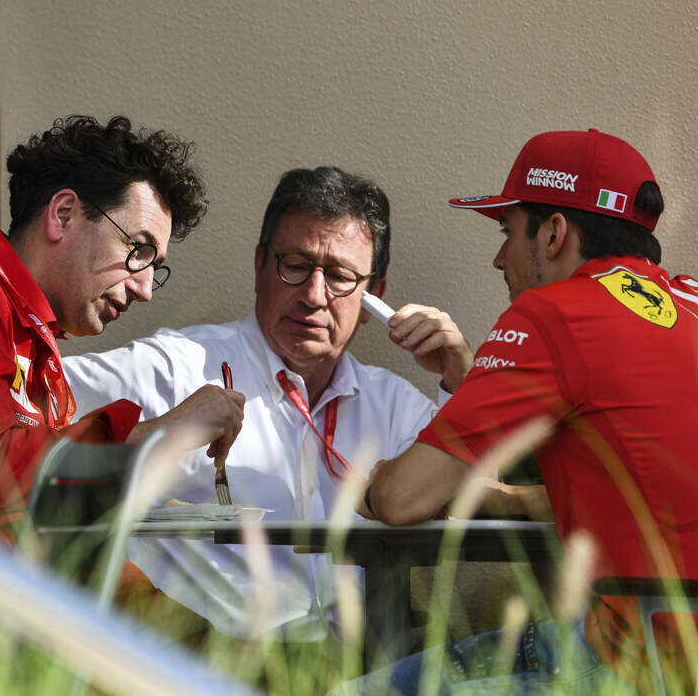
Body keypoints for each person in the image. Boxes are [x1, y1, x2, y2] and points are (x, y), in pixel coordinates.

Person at [360, 130, 698, 692]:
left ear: (555, 232)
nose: (498, 258)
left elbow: (401, 499)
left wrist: (369, 487)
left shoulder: (554, 312)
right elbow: (654, 491)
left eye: (508, 232)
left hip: (653, 665)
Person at [63, 166, 474, 640]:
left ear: (373, 295)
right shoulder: (176, 368)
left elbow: (479, 497)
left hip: (360, 670)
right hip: (207, 670)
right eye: (295, 265)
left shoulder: (393, 404)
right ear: (260, 265)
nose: (314, 296)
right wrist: (158, 430)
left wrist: (461, 380)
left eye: (340, 277)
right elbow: (27, 409)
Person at [0, 114, 245, 538]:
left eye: (155, 266)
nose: (145, 288)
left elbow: (48, 518)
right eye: (138, 249)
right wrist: (166, 432)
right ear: (63, 214)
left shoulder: (38, 336)